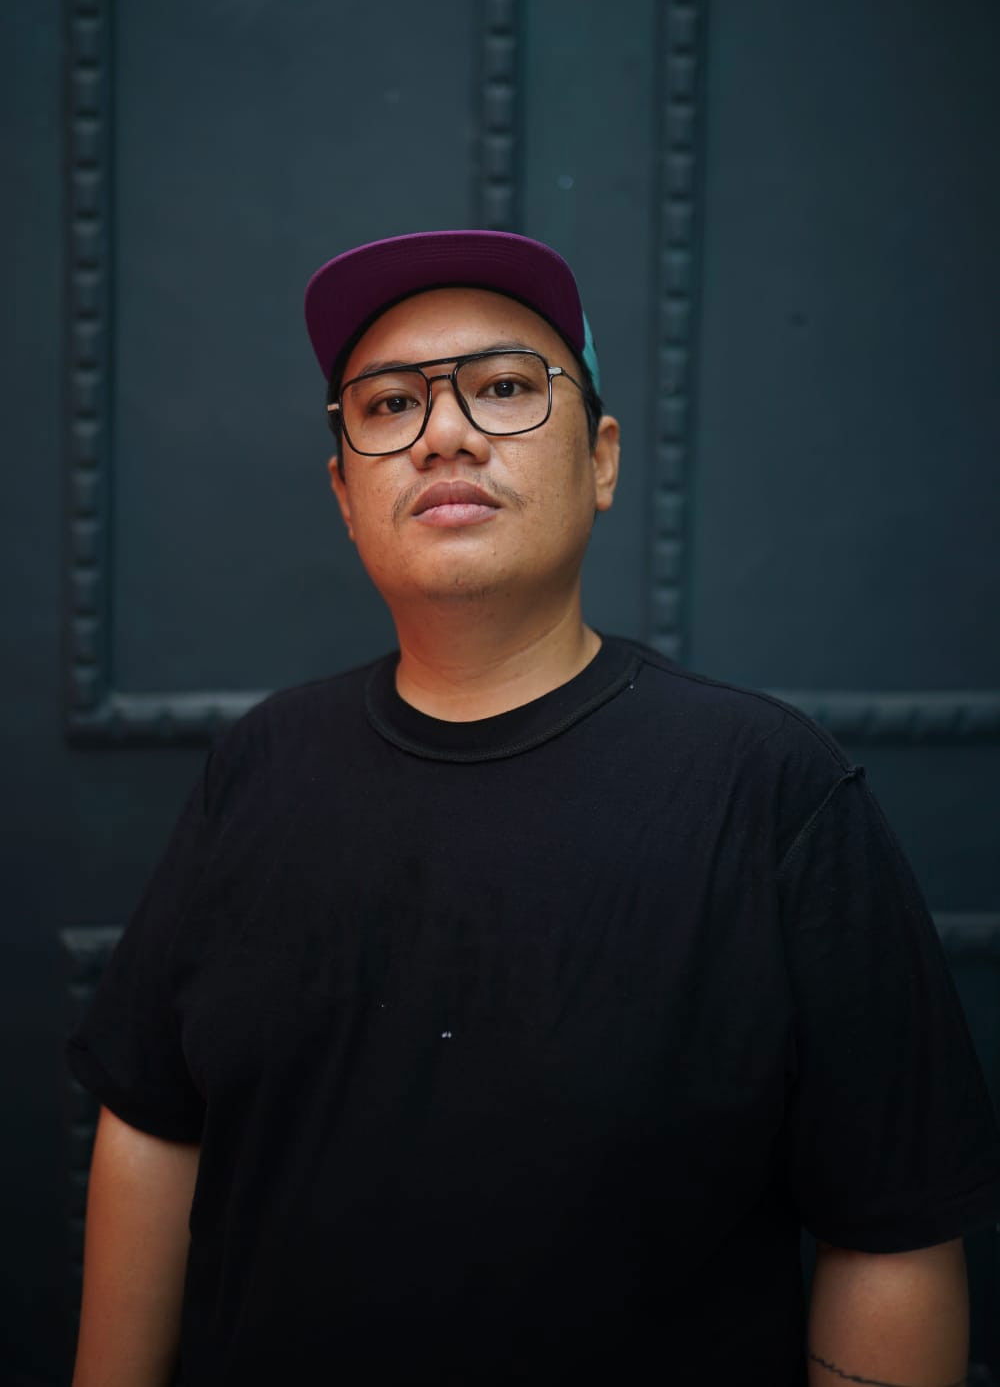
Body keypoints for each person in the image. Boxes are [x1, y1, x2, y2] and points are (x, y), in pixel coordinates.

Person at [67, 230, 1000, 1387]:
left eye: (505, 388)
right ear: (345, 494)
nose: (444, 434)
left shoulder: (769, 788)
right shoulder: (258, 767)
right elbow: (154, 1121)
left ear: (601, 460)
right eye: (388, 404)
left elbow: (892, 1227)